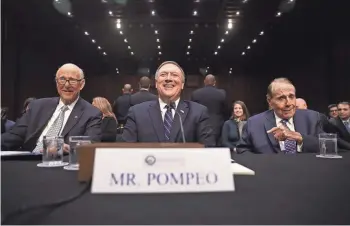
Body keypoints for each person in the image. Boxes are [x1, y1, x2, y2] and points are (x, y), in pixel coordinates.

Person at [1, 63, 102, 152]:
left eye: (72, 80)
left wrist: (67, 148)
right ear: (56, 82)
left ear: (82, 84)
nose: (66, 85)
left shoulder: (92, 113)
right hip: (28, 162)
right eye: (62, 79)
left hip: (61, 165)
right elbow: (14, 136)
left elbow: (90, 145)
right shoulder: (37, 106)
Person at [122, 61, 216, 146]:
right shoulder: (136, 113)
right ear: (156, 83)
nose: (168, 78)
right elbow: (126, 152)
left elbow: (208, 150)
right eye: (163, 74)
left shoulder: (199, 112)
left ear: (182, 84)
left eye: (174, 75)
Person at [237, 78, 323, 154]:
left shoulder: (312, 118)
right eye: (281, 98)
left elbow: (331, 145)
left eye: (291, 96)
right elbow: (242, 150)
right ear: (269, 101)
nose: (288, 103)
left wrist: (301, 138)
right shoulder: (254, 123)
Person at [191, 74, 227, 145]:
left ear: (204, 82)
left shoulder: (196, 93)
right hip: (217, 125)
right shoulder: (222, 93)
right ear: (215, 82)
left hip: (200, 125)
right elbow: (226, 109)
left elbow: (192, 110)